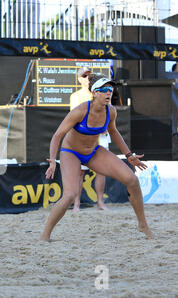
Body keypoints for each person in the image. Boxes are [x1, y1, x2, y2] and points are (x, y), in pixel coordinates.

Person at [41, 73, 153, 241]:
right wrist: (52, 160)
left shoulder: (111, 111)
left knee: (132, 180)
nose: (109, 93)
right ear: (94, 93)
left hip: (93, 152)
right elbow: (57, 135)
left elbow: (114, 133)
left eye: (110, 89)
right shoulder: (80, 111)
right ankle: (45, 234)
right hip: (71, 152)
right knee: (70, 194)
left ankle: (142, 224)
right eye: (104, 90)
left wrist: (129, 155)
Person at [69, 67, 109, 211]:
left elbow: (107, 112)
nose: (88, 78)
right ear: (79, 79)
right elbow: (76, 118)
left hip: (100, 136)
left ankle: (100, 202)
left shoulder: (101, 92)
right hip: (84, 138)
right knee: (80, 171)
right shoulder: (76, 96)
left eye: (90, 75)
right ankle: (77, 203)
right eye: (84, 76)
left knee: (101, 170)